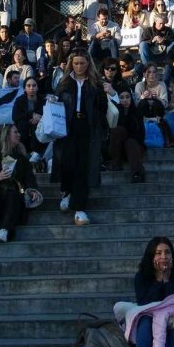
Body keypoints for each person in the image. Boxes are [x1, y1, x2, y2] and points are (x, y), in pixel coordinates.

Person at [55, 51, 106, 226]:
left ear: (88, 64)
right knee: (67, 162)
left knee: (83, 166)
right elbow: (58, 101)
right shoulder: (64, 82)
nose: (79, 67)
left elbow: (103, 107)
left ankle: (79, 208)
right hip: (67, 127)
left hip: (87, 127)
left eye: (82, 63)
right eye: (76, 63)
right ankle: (67, 191)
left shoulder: (95, 83)